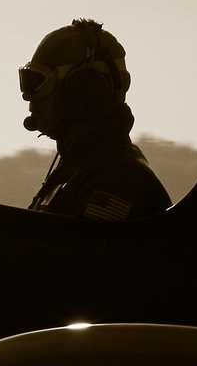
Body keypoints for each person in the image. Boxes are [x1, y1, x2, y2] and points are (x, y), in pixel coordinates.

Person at [19, 18, 171, 220]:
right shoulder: (81, 167)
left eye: (39, 84)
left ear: (85, 91)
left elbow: (84, 251)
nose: (30, 101)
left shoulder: (116, 178)